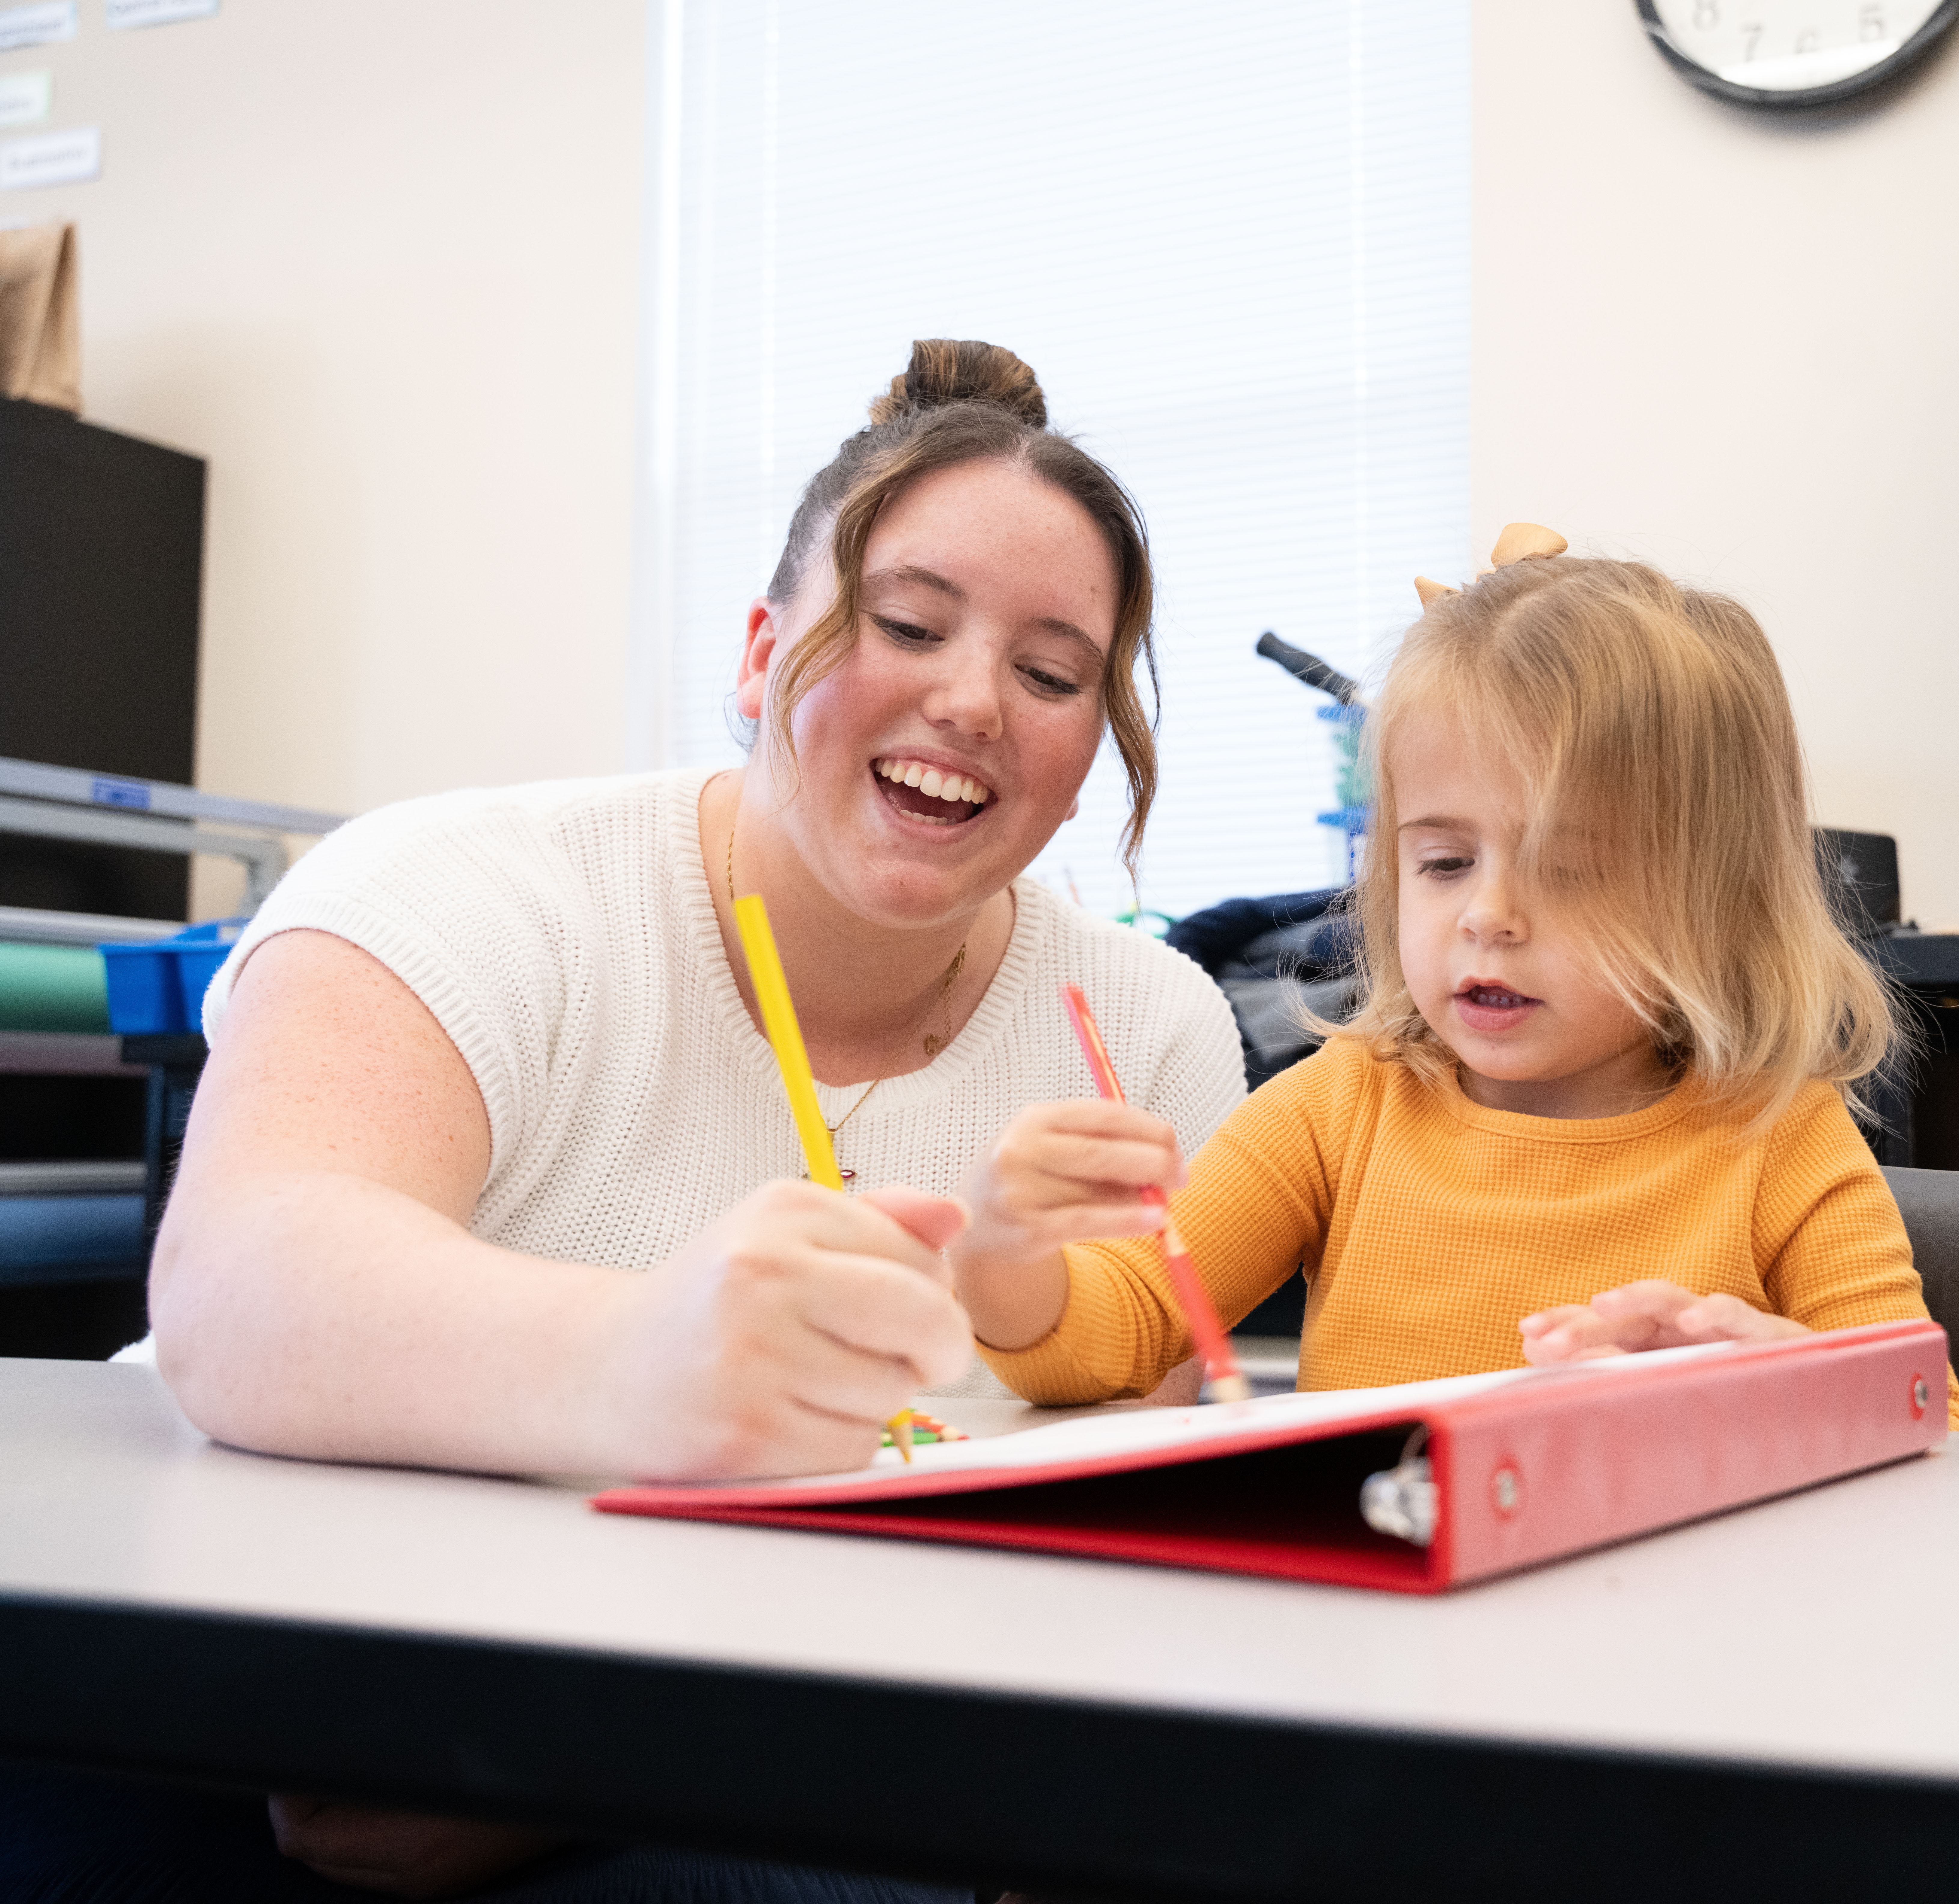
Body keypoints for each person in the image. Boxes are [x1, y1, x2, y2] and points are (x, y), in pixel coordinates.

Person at [67, 340, 1243, 1901]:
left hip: (744, 1760)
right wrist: (649, 1361)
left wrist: (586, 1767)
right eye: (905, 624)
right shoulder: (468, 889)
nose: (973, 702)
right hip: (263, 1720)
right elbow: (241, 1289)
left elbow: (1139, 1502)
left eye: (1050, 674)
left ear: (1088, 751)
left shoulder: (1145, 1028)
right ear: (760, 657)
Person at [948, 528, 1959, 1430]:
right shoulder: (1340, 1108)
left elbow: (1950, 1447)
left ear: (1715, 904)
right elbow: (1122, 1331)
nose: (1487, 915)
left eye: (1569, 872)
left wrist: (1784, 1384)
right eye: (1443, 864)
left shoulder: (1782, 1141)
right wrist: (1002, 1256)